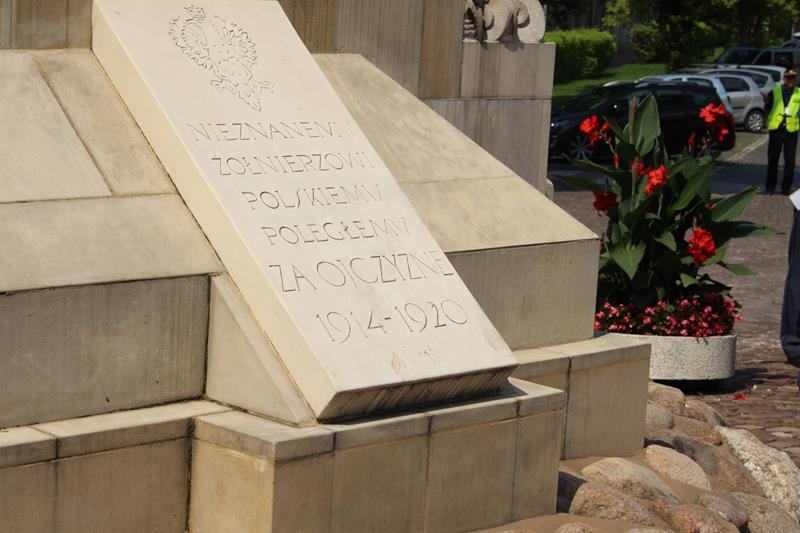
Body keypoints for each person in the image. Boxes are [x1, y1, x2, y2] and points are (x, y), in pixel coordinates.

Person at [765, 69, 800, 195]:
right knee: (773, 160)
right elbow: (767, 108)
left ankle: (786, 188)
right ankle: (770, 187)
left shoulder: (799, 93)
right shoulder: (775, 92)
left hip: (791, 131)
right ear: (784, 79)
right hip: (776, 130)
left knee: (790, 163)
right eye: (789, 78)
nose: (791, 80)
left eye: (793, 78)